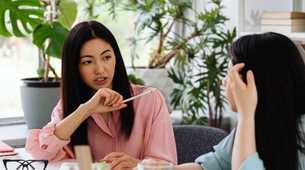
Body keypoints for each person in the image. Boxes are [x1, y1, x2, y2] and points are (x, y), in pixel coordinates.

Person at [25, 21, 177, 169]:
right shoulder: (67, 109)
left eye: (106, 58)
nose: (100, 69)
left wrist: (137, 165)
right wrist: (86, 110)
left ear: (116, 58)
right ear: (74, 68)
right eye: (87, 62)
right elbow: (41, 154)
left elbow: (166, 164)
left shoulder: (149, 100)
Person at [174, 32, 305, 170]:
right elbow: (212, 165)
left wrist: (245, 113)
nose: (224, 82)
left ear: (255, 83)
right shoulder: (258, 122)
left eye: (231, 75)